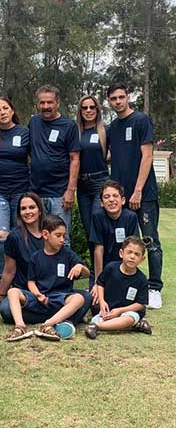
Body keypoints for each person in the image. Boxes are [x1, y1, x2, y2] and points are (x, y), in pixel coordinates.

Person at [107, 82, 163, 309]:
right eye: (113, 98)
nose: (118, 101)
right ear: (109, 101)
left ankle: (154, 288)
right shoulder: (112, 127)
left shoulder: (141, 121)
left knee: (150, 241)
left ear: (128, 97)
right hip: (122, 198)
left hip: (144, 195)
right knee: (127, 243)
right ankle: (127, 288)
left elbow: (147, 156)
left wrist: (138, 190)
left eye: (121, 97)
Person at [5, 215, 90, 342]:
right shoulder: (36, 257)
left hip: (60, 298)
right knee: (12, 292)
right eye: (58, 235)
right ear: (45, 234)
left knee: (79, 298)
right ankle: (20, 327)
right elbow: (31, 282)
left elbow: (88, 273)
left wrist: (80, 267)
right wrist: (37, 294)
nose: (62, 240)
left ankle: (47, 324)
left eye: (64, 235)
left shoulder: (67, 253)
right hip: (40, 298)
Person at [0, 96, 30, 285]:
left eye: (5, 108)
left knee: (21, 237)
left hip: (21, 192)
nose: (2, 112)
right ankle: (1, 284)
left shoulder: (25, 132)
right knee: (1, 236)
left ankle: (23, 281)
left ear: (12, 110)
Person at [29, 84, 80, 245]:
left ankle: (62, 270)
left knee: (60, 239)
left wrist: (70, 191)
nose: (45, 106)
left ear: (57, 103)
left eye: (49, 102)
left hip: (59, 194)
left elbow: (75, 159)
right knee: (38, 239)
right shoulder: (34, 122)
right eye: (42, 103)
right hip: (36, 193)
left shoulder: (68, 126)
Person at [85, 236, 151, 339]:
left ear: (142, 259)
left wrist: (120, 311)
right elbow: (100, 284)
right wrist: (102, 302)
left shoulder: (142, 279)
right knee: (97, 317)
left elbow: (141, 304)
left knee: (128, 319)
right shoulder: (111, 268)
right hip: (108, 309)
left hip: (127, 311)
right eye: (129, 252)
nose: (132, 256)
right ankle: (134, 326)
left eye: (137, 254)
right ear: (121, 253)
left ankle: (97, 327)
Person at [0, 192, 44, 318]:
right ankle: (53, 313)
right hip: (23, 293)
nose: (28, 212)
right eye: (23, 208)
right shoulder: (14, 237)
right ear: (19, 213)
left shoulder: (49, 234)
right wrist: (0, 297)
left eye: (32, 207)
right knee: (6, 310)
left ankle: (40, 312)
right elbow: (8, 271)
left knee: (84, 297)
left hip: (48, 290)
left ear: (39, 210)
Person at [89, 180, 139, 304]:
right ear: (101, 203)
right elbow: (98, 249)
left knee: (127, 300)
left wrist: (127, 276)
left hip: (124, 268)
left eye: (115, 196)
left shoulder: (131, 217)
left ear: (122, 200)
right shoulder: (97, 216)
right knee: (95, 302)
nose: (111, 200)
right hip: (104, 269)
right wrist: (98, 282)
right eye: (106, 197)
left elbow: (133, 249)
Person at [75, 94, 109, 260]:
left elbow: (115, 154)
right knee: (89, 230)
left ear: (97, 110)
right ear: (80, 111)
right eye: (85, 107)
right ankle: (95, 272)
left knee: (98, 227)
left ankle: (105, 270)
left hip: (100, 184)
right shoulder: (75, 131)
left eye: (92, 107)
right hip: (82, 186)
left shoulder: (104, 130)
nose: (88, 110)